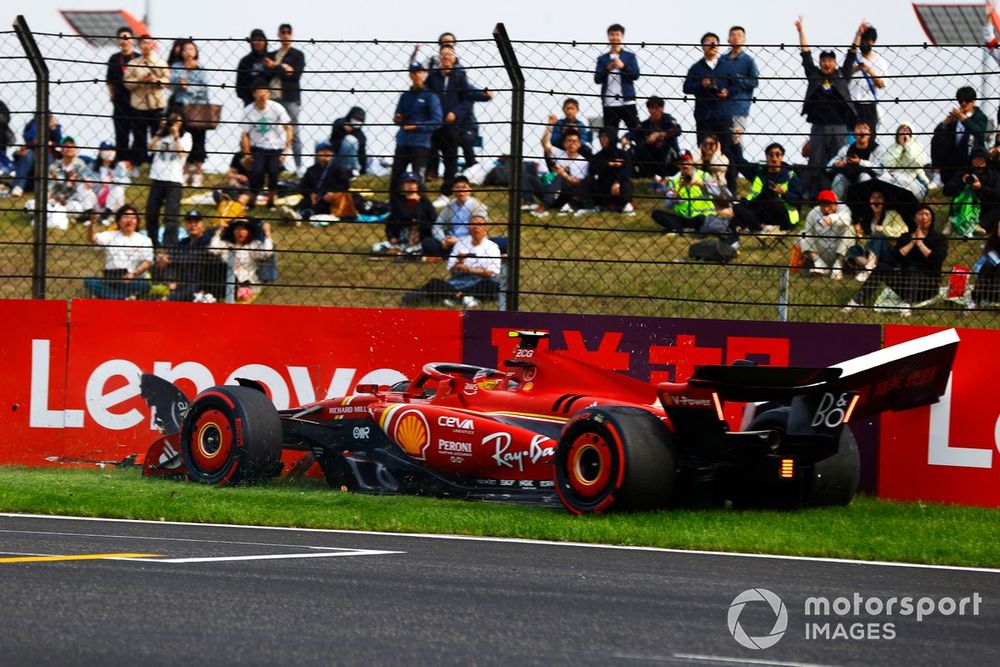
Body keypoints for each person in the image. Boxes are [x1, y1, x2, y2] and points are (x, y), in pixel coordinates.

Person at [844, 204, 948, 316]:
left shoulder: (939, 238)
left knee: (913, 269)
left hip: (928, 286)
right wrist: (912, 242)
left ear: (931, 219)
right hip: (904, 285)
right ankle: (857, 301)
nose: (923, 217)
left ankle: (907, 304)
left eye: (927, 214)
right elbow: (895, 258)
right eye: (920, 214)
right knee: (882, 267)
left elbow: (937, 259)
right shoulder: (905, 237)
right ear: (914, 218)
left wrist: (920, 243)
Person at [795, 16, 855, 198]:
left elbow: (851, 56)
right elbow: (806, 55)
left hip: (840, 126)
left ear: (835, 63)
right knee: (816, 162)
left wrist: (858, 35)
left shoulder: (842, 75)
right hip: (818, 126)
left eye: (831, 60)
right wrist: (800, 31)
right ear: (820, 63)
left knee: (839, 162)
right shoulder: (814, 75)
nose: (827, 63)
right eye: (824, 61)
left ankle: (838, 195)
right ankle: (814, 195)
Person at [426, 44, 482, 205]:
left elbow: (466, 99)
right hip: (435, 124)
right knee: (431, 151)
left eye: (449, 55)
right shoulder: (432, 77)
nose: (446, 58)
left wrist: (456, 113)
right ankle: (431, 175)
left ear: (454, 58)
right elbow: (427, 95)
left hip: (452, 125)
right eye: (443, 56)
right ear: (439, 58)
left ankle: (445, 192)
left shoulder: (459, 77)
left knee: (450, 159)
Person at [239, 78, 293, 209]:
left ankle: (271, 202)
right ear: (254, 94)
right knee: (257, 172)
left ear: (269, 93)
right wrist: (247, 153)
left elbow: (289, 128)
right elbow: (244, 134)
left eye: (265, 91)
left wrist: (286, 151)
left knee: (273, 173)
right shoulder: (248, 110)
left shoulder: (277, 108)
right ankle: (252, 200)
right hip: (258, 147)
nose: (262, 94)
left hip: (276, 147)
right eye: (259, 91)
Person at [389, 62, 442, 193]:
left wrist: (416, 126)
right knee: (396, 177)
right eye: (414, 73)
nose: (417, 75)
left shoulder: (430, 96)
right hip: (403, 141)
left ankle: (421, 206)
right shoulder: (405, 96)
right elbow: (397, 116)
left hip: (420, 143)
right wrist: (398, 119)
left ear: (424, 74)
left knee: (418, 178)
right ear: (410, 75)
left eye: (419, 72)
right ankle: (394, 205)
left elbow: (437, 120)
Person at [83, 204, 154, 300]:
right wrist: (93, 223)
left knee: (143, 283)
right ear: (119, 221)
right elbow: (92, 238)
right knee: (90, 280)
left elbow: (148, 262)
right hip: (110, 280)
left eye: (133, 218)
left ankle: (111, 298)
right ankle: (122, 299)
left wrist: (133, 274)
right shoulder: (110, 235)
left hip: (131, 279)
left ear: (136, 221)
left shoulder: (144, 240)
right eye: (126, 217)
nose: (129, 220)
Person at [25, 136, 97, 230]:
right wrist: (53, 197)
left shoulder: (81, 166)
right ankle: (52, 212)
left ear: (76, 149)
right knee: (30, 205)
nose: (69, 149)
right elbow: (48, 185)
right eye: (66, 147)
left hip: (71, 201)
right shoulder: (54, 166)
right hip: (54, 199)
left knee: (76, 208)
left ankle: (48, 214)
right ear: (62, 150)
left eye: (72, 146)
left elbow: (83, 188)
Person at [682, 32, 737, 154]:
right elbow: (686, 88)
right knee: (704, 152)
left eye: (715, 42)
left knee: (727, 151)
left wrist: (727, 92)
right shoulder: (696, 68)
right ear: (702, 47)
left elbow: (736, 86)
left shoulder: (727, 67)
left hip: (723, 114)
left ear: (719, 46)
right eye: (708, 42)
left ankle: (729, 173)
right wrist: (701, 85)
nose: (712, 45)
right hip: (704, 116)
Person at [264, 23, 306, 174]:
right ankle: (277, 165)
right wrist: (283, 68)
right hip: (274, 98)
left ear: (292, 35)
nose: (286, 34)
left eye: (289, 32)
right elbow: (267, 75)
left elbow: (294, 75)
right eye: (283, 32)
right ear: (279, 34)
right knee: (273, 133)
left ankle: (299, 165)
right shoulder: (271, 54)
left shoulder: (297, 54)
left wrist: (274, 66)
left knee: (293, 132)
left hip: (290, 98)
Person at [733, 142, 803, 232]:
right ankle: (761, 227)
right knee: (737, 207)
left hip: (782, 215)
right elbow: (740, 162)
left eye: (777, 155)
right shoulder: (759, 171)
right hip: (761, 212)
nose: (774, 158)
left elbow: (798, 201)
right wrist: (736, 143)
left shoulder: (790, 176)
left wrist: (784, 193)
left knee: (773, 197)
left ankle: (754, 226)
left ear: (782, 157)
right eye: (770, 155)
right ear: (766, 156)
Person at [123, 34, 169, 168]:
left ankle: (155, 163)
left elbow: (167, 81)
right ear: (139, 45)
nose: (146, 46)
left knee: (158, 135)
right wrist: (139, 80)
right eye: (143, 43)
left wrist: (157, 81)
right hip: (138, 105)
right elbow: (127, 83)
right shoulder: (133, 64)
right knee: (139, 137)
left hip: (157, 104)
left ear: (153, 45)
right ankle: (138, 164)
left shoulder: (160, 63)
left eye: (149, 43)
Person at [146, 111, 191, 247]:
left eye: (178, 121)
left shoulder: (186, 136)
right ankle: (153, 243)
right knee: (151, 213)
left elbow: (182, 153)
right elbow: (150, 148)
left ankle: (169, 246)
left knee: (171, 216)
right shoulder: (160, 135)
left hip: (174, 179)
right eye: (172, 121)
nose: (174, 124)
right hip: (157, 178)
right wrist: (160, 130)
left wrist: (176, 135)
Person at [169, 39, 210, 186]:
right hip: (180, 106)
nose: (188, 52)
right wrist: (177, 84)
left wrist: (189, 88)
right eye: (185, 49)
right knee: (183, 137)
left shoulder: (201, 69)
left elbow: (204, 89)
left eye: (191, 49)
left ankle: (198, 173)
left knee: (199, 140)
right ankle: (184, 172)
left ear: (196, 52)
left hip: (197, 107)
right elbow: (170, 87)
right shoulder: (176, 67)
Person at [161, 210, 227, 301]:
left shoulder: (207, 240)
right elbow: (170, 255)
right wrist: (163, 257)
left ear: (202, 224)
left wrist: (171, 258)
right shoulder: (183, 242)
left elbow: (195, 256)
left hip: (201, 283)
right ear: (185, 225)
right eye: (189, 222)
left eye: (196, 222)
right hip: (184, 281)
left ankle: (168, 299)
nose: (193, 225)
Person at [931, 86, 989, 183]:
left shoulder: (980, 116)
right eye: (960, 101)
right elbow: (937, 133)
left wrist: (963, 118)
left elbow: (979, 132)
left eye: (966, 101)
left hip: (971, 155)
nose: (963, 104)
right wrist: (946, 122)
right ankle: (938, 170)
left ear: (973, 101)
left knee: (969, 137)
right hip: (954, 157)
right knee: (937, 138)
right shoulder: (955, 118)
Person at [208, 218, 275, 303]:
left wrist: (267, 233)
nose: (240, 231)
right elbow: (213, 249)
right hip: (227, 286)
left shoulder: (254, 245)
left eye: (244, 229)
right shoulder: (227, 244)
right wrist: (219, 231)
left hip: (249, 285)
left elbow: (267, 252)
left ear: (249, 231)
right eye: (237, 229)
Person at [594, 23, 641, 144]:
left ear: (622, 36)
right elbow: (597, 79)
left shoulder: (629, 56)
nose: (614, 37)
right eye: (612, 34)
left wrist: (623, 67)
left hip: (628, 101)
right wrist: (607, 69)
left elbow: (635, 75)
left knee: (637, 131)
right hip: (609, 104)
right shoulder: (603, 59)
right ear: (608, 37)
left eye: (617, 35)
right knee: (610, 137)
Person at [651, 151, 718, 234]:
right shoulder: (675, 181)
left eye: (686, 160)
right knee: (656, 213)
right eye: (681, 161)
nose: (684, 163)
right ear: (678, 164)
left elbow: (717, 192)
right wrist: (678, 189)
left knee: (701, 218)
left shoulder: (704, 175)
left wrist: (699, 184)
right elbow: (667, 205)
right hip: (683, 218)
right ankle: (682, 229)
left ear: (692, 161)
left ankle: (678, 229)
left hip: (702, 216)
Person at [849, 189, 908, 284]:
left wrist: (883, 229)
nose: (876, 200)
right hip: (870, 251)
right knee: (853, 250)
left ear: (884, 201)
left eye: (879, 197)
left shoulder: (892, 214)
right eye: (873, 197)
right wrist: (859, 234)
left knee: (879, 235)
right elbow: (867, 242)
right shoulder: (867, 218)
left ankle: (869, 268)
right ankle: (874, 268)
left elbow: (903, 230)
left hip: (888, 250)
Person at [290, 141, 355, 224]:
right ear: (317, 154)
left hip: (331, 200)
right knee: (305, 202)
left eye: (329, 151)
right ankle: (299, 214)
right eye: (323, 151)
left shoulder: (338, 169)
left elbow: (345, 184)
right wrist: (310, 194)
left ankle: (302, 215)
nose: (327, 153)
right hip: (315, 198)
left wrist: (333, 193)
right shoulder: (311, 170)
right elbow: (302, 186)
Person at [422, 175, 487, 259]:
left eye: (464, 188)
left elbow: (480, 231)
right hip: (450, 240)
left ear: (469, 190)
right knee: (428, 242)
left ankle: (449, 255)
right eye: (457, 188)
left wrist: (458, 241)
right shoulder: (450, 206)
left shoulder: (477, 207)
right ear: (453, 190)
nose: (461, 191)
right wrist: (443, 240)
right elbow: (437, 226)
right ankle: (455, 255)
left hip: (470, 240)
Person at [724, 26, 759, 180]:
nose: (736, 37)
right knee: (724, 142)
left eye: (739, 35)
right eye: (733, 35)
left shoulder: (748, 61)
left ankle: (742, 174)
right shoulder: (722, 60)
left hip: (740, 107)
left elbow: (754, 81)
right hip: (723, 109)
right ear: (728, 39)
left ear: (744, 39)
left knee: (736, 143)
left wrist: (737, 78)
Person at [372, 172, 436, 255]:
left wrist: (420, 225)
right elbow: (390, 223)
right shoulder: (399, 202)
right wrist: (392, 237)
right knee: (377, 248)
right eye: (408, 182)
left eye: (413, 182)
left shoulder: (425, 202)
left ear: (417, 185)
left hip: (420, 237)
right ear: (402, 185)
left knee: (421, 248)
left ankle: (411, 251)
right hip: (401, 238)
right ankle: (403, 251)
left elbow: (433, 221)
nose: (411, 185)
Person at [943, 147, 1000, 237]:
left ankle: (979, 226)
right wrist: (962, 182)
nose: (978, 161)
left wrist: (980, 187)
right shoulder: (964, 173)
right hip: (963, 206)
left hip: (984, 209)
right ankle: (952, 221)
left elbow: (997, 194)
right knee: (958, 192)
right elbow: (946, 191)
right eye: (976, 158)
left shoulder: (994, 176)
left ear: (986, 160)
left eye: (981, 158)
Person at [845, 22, 888, 140]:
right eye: (862, 40)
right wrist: (855, 70)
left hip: (869, 104)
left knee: (868, 139)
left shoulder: (880, 61)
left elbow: (881, 84)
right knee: (850, 138)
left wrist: (869, 71)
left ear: (873, 42)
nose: (864, 43)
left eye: (867, 40)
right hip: (852, 103)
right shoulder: (853, 59)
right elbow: (843, 77)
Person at [105, 26, 140, 166]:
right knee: (121, 135)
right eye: (121, 38)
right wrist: (112, 96)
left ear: (132, 39)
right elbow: (109, 81)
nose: (124, 41)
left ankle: (135, 162)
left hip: (137, 101)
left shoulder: (138, 58)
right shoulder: (114, 59)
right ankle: (121, 163)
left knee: (138, 134)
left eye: (127, 38)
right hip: (120, 102)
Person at [799, 189, 854, 279]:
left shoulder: (843, 208)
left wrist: (831, 219)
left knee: (850, 230)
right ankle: (819, 264)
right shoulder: (814, 213)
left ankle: (838, 265)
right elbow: (808, 231)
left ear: (835, 203)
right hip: (821, 249)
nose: (826, 209)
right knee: (803, 234)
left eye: (829, 205)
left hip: (839, 248)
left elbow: (847, 219)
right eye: (823, 206)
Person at [627, 95, 681, 179]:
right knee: (636, 149)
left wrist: (660, 134)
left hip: (669, 156)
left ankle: (663, 177)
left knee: (662, 147)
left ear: (662, 108)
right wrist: (626, 138)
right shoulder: (646, 124)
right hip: (652, 157)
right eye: (651, 108)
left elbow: (677, 130)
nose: (654, 111)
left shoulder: (668, 119)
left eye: (657, 108)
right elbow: (634, 133)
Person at [9, 114, 63, 197]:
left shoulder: (54, 131)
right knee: (28, 155)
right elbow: (32, 141)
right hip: (30, 175)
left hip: (48, 156)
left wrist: (54, 128)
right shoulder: (32, 126)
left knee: (46, 156)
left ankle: (46, 189)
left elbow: (60, 143)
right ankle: (18, 186)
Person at [540, 125, 590, 212]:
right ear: (564, 143)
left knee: (560, 177)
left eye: (574, 141)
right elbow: (544, 143)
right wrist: (549, 126)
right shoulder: (558, 153)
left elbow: (577, 182)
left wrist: (563, 173)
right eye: (569, 141)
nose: (571, 144)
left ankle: (545, 205)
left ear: (579, 144)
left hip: (567, 194)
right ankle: (529, 202)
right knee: (529, 175)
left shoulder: (583, 162)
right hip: (551, 188)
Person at [828, 121, 883, 200]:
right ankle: (836, 206)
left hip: (869, 180)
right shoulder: (846, 148)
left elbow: (880, 170)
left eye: (865, 128)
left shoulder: (876, 149)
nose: (862, 131)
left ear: (870, 133)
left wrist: (860, 162)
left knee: (864, 177)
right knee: (839, 178)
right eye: (859, 128)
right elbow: (828, 166)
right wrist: (837, 163)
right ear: (854, 132)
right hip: (848, 179)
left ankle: (865, 207)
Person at [879, 122, 931, 202]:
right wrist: (899, 147)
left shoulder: (917, 146)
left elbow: (916, 164)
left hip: (914, 178)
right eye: (901, 130)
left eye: (907, 130)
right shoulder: (892, 147)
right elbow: (886, 165)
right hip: (894, 178)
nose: (904, 133)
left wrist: (907, 145)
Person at [590, 129, 634, 213]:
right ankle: (599, 205)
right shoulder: (598, 156)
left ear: (611, 138)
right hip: (604, 186)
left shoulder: (623, 154)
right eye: (601, 137)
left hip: (619, 187)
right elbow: (592, 170)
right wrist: (609, 164)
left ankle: (627, 204)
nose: (602, 139)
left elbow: (627, 171)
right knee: (590, 180)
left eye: (605, 137)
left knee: (626, 182)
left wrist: (617, 182)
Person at [86, 140, 130, 221]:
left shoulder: (119, 166)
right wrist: (89, 181)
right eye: (106, 150)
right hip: (96, 199)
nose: (109, 152)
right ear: (100, 152)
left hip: (112, 203)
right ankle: (88, 213)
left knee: (118, 188)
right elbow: (86, 177)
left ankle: (106, 215)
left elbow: (127, 182)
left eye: (112, 150)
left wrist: (113, 179)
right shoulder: (92, 165)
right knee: (83, 186)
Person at [329, 106, 368, 175]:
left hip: (348, 163)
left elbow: (362, 153)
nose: (358, 121)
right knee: (320, 143)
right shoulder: (339, 123)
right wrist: (344, 126)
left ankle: (353, 171)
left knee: (351, 140)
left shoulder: (361, 136)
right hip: (334, 156)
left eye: (360, 120)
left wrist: (363, 171)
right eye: (356, 118)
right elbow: (335, 131)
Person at [235, 29, 270, 106]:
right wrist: (252, 95)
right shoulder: (245, 61)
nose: (258, 42)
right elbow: (239, 87)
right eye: (255, 40)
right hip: (250, 103)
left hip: (270, 102)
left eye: (260, 40)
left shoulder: (271, 58)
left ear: (265, 42)